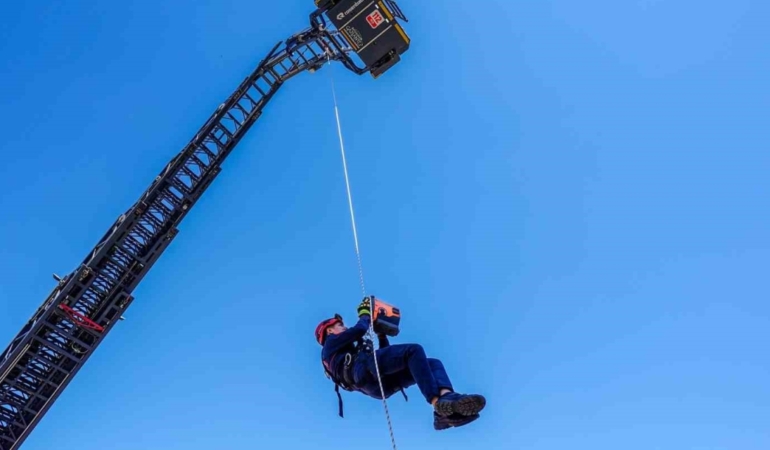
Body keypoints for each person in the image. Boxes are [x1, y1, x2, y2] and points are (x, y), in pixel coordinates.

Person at [315, 297, 486, 431]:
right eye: (340, 325)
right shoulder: (330, 344)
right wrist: (365, 314)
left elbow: (387, 359)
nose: (344, 327)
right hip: (363, 371)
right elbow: (360, 329)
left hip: (375, 385)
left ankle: (445, 400)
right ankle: (437, 403)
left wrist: (381, 336)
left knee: (432, 363)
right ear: (329, 330)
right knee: (413, 351)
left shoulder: (343, 352)